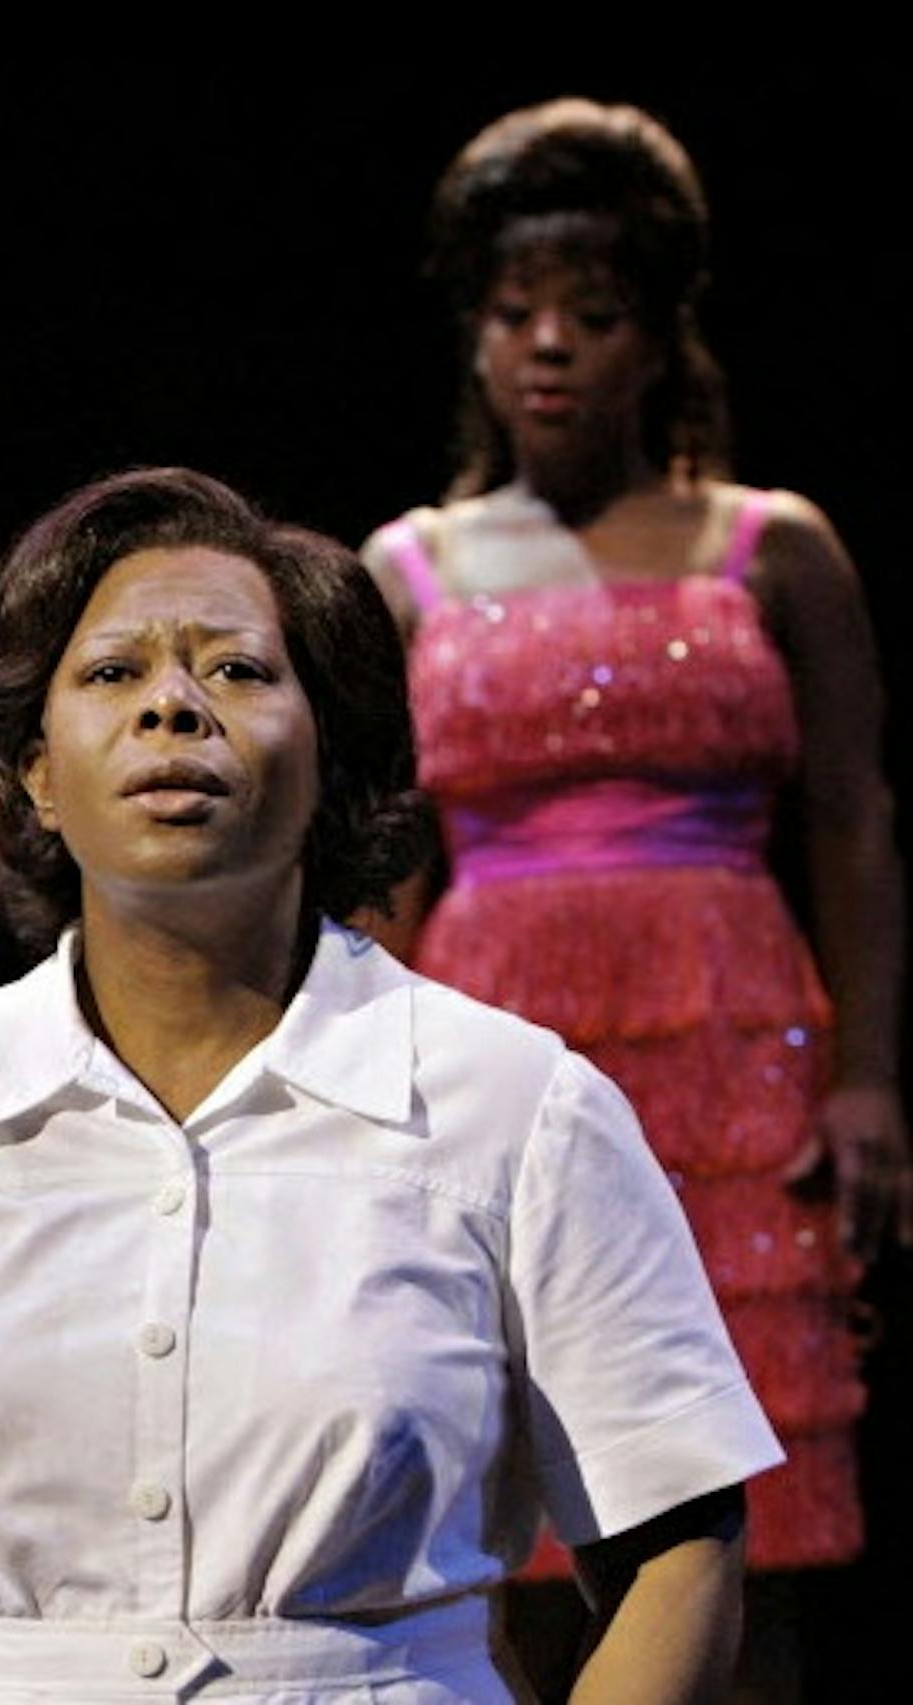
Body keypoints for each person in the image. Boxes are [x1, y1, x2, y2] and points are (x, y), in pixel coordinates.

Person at [0, 466, 782, 1702]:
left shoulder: (516, 1107)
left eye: (235, 671)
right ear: (32, 768)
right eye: (112, 673)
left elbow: (674, 1543)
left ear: (329, 751)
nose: (172, 707)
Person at [361, 98, 910, 1692]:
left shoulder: (771, 548)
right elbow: (381, 864)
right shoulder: (411, 567)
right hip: (496, 1031)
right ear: (470, 336)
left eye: (592, 318)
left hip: (735, 1047)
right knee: (513, 1480)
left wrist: (869, 1074)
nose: (550, 349)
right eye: (514, 314)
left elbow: (857, 824)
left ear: (660, 338)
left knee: (745, 1492)